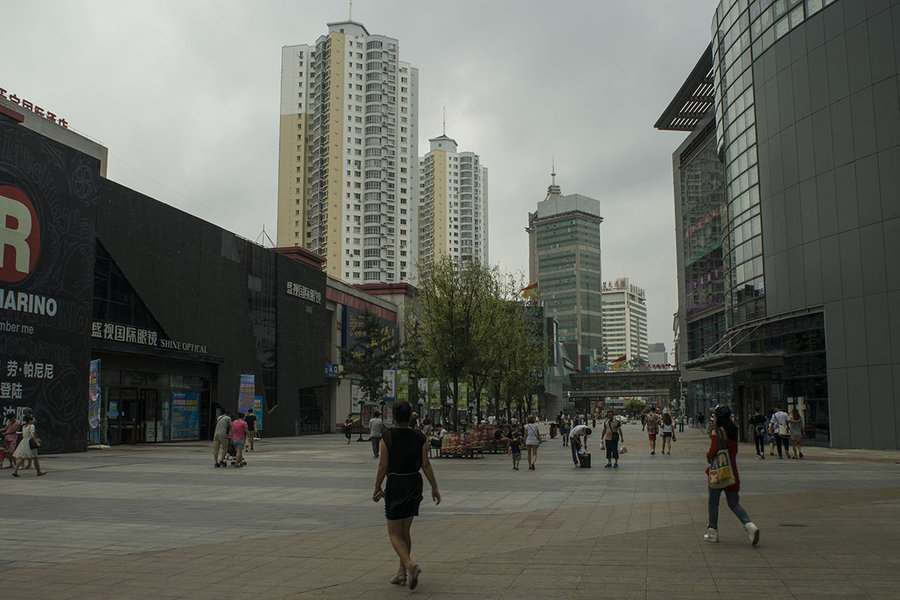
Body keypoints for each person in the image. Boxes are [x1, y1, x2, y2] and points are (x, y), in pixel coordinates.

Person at [373, 401, 440, 590]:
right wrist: (434, 487)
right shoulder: (420, 436)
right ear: (410, 415)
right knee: (405, 531)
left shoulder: (387, 437)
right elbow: (426, 464)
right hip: (414, 483)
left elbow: (383, 466)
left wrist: (377, 486)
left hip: (395, 483)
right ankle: (401, 572)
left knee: (394, 533)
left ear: (394, 416)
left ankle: (410, 565)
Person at [704, 405, 759, 545]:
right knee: (734, 503)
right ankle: (749, 525)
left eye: (714, 415)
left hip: (719, 472)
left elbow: (713, 451)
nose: (713, 418)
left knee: (713, 503)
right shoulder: (734, 431)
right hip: (732, 472)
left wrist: (708, 456)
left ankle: (713, 532)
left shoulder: (717, 432)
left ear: (718, 417)